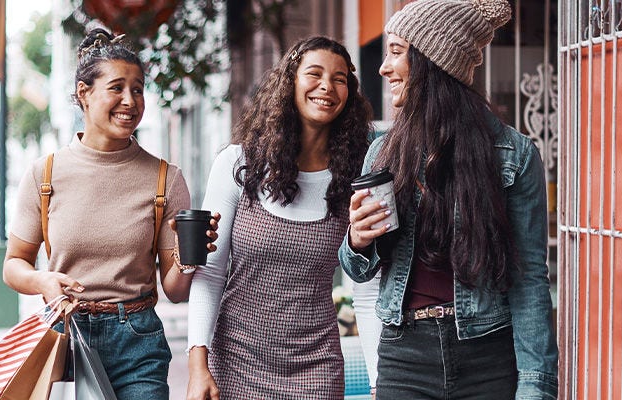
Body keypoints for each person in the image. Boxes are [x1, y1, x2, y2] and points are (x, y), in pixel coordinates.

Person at [340, 0, 559, 399]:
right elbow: (357, 271)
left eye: (395, 52)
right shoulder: (382, 154)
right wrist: (358, 240)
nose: (383, 68)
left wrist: (535, 386)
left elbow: (528, 281)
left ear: (432, 61)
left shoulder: (513, 155)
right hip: (405, 357)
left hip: (488, 357)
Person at [4, 28, 218, 399]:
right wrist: (43, 282)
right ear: (84, 94)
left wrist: (189, 257)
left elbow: (175, 291)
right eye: (117, 87)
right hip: (66, 338)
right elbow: (13, 265)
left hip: (138, 343)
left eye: (138, 89)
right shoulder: (45, 174)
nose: (130, 101)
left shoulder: (165, 178)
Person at [185, 36, 374, 400]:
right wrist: (198, 366)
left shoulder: (356, 178)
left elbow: (365, 292)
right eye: (314, 74)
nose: (327, 87)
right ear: (290, 82)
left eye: (340, 79)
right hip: (237, 362)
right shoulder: (239, 164)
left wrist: (377, 382)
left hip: (316, 369)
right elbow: (209, 272)